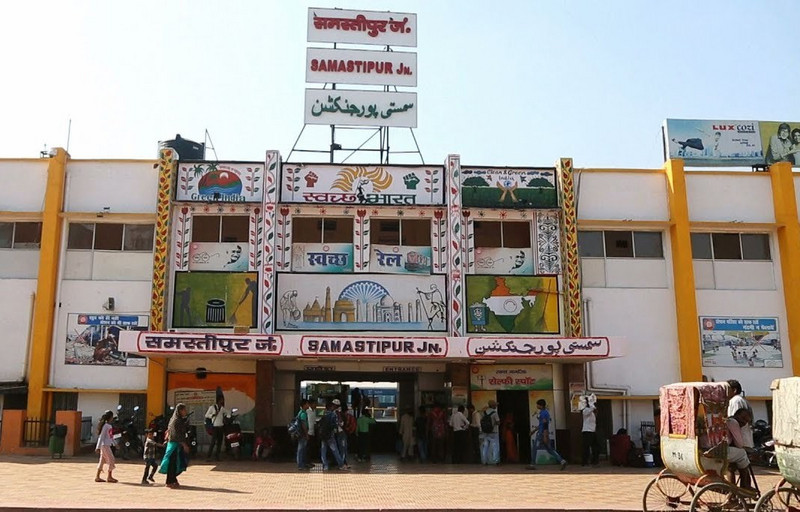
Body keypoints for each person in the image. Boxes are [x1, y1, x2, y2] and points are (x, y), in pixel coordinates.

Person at [528, 399, 567, 470]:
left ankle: (532, 464)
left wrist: (545, 435)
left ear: (541, 405)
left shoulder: (544, 413)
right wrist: (533, 431)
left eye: (538, 404)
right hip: (541, 432)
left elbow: (545, 424)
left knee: (534, 448)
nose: (537, 406)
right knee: (550, 449)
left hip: (541, 434)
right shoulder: (543, 412)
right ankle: (562, 461)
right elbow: (541, 424)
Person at [159, 403, 190, 489]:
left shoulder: (174, 419)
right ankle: (169, 481)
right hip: (174, 445)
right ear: (180, 411)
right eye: (184, 410)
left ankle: (173, 479)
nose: (185, 412)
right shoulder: (177, 420)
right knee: (172, 464)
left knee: (177, 463)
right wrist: (184, 445)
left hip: (174, 445)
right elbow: (177, 435)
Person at [727, 407, 755, 491]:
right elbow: (739, 443)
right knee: (742, 454)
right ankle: (745, 485)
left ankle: (733, 491)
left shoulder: (730, 420)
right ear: (737, 415)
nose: (743, 422)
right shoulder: (733, 422)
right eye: (743, 419)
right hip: (723, 450)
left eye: (746, 421)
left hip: (725, 449)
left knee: (731, 466)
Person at [320, 399, 349, 470]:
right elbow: (336, 424)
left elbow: (320, 423)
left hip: (323, 435)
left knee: (323, 450)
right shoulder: (333, 414)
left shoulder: (324, 414)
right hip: (330, 435)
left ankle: (325, 465)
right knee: (335, 450)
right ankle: (341, 465)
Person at [727, 379, 754, 448]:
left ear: (734, 390)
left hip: (741, 441)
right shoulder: (740, 399)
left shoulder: (736, 400)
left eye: (727, 390)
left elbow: (734, 422)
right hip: (744, 440)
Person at [94, 410, 117, 483]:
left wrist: (115, 443)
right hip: (105, 445)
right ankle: (109, 476)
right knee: (111, 460)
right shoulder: (106, 426)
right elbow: (102, 437)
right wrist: (98, 447)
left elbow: (110, 436)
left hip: (106, 445)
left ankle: (97, 476)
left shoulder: (108, 426)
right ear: (110, 417)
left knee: (102, 461)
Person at [205, 397, 231, 461]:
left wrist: (228, 416)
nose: (222, 402)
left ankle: (217, 456)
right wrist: (213, 415)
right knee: (213, 442)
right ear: (218, 401)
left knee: (219, 442)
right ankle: (208, 456)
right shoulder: (212, 407)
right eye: (221, 401)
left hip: (221, 427)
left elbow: (228, 413)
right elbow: (206, 415)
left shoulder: (222, 408)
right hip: (215, 427)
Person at [581, 395, 600, 466]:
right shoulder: (585, 410)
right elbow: (592, 408)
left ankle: (594, 461)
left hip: (592, 431)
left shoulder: (592, 413)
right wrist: (591, 403)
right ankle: (585, 462)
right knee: (586, 447)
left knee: (596, 447)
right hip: (587, 431)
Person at [480, 400, 500, 465]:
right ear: (493, 406)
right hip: (493, 432)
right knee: (495, 446)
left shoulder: (484, 412)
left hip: (485, 432)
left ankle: (484, 460)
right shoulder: (495, 413)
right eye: (495, 405)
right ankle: (495, 460)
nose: (496, 406)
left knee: (485, 446)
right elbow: (498, 422)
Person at [295, 399, 312, 471]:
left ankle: (302, 464)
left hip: (301, 433)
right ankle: (300, 465)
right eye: (307, 404)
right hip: (302, 434)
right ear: (304, 405)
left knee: (302, 449)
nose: (308, 405)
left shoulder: (301, 412)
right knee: (301, 449)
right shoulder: (303, 414)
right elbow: (304, 425)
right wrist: (306, 434)